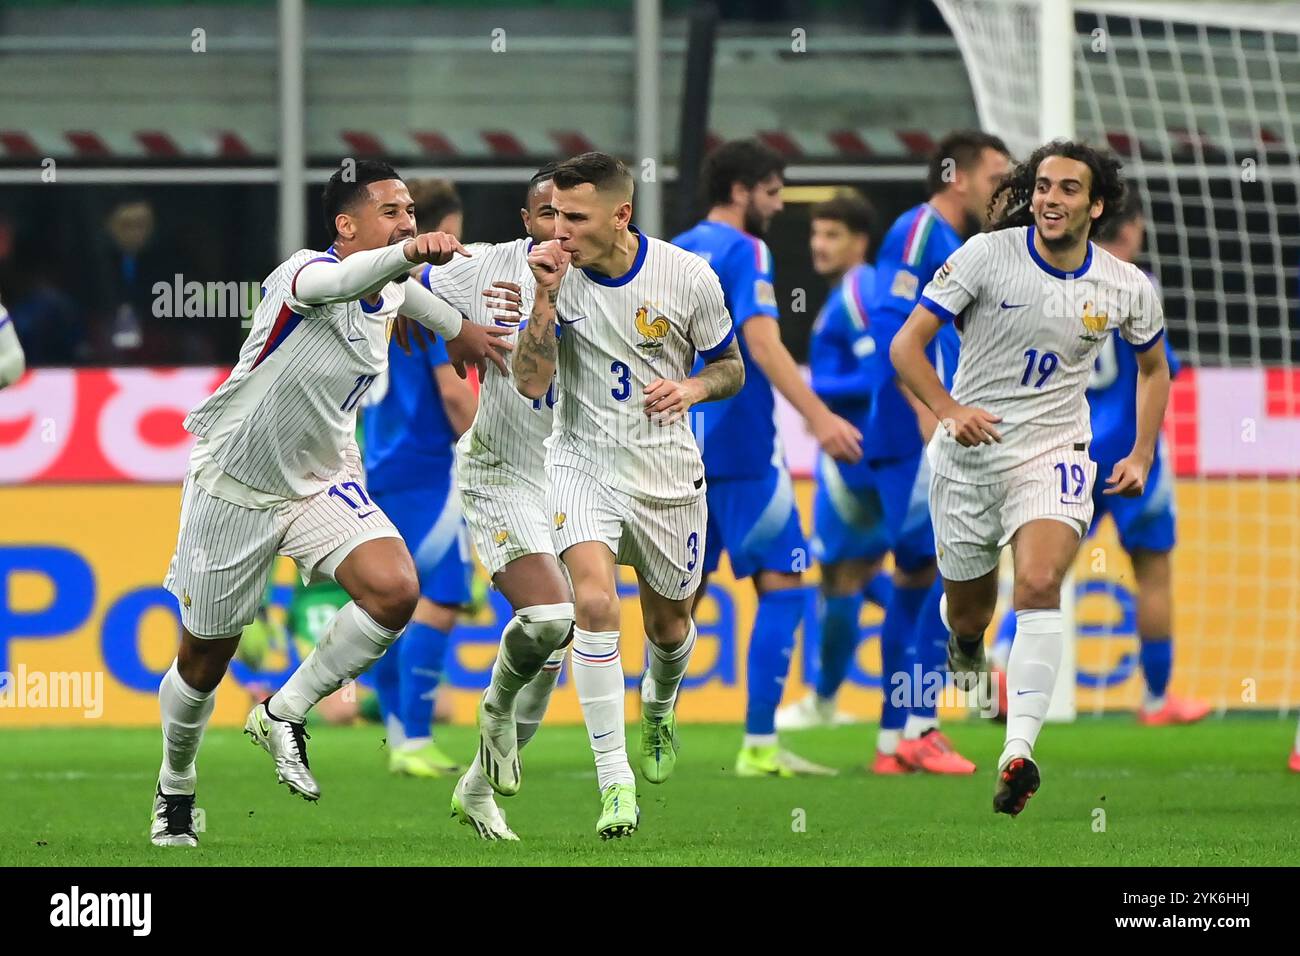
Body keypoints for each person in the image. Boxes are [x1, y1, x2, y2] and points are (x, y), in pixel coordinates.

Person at [150, 160, 512, 847]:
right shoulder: (304, 276)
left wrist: (462, 330)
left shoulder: (394, 291)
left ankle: (283, 711)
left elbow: (412, 301)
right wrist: (409, 254)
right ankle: (175, 787)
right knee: (203, 661)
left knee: (395, 589)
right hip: (236, 486)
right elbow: (348, 280)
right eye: (391, 211)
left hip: (319, 480)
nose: (408, 221)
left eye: (411, 211)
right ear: (346, 225)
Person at [890, 140, 1170, 815]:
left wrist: (1141, 453)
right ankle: (966, 654)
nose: (1051, 198)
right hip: (967, 459)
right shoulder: (987, 257)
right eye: (1044, 185)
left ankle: (1018, 752)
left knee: (1042, 583)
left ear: (1096, 205)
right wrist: (949, 410)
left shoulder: (1125, 285)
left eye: (1069, 189)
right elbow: (907, 346)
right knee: (969, 617)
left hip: (1055, 451)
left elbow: (1155, 368)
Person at [513, 152, 745, 838]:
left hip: (668, 476)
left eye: (575, 217)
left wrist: (693, 388)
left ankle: (658, 702)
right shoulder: (550, 274)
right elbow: (530, 382)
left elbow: (729, 367)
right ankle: (615, 785)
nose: (558, 229)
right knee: (591, 601)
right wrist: (546, 300)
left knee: (670, 626)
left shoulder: (687, 277)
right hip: (581, 462)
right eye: (551, 213)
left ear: (621, 215)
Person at [673, 139, 860, 778]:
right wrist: (820, 418)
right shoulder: (746, 250)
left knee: (676, 602)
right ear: (742, 189)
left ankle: (639, 740)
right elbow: (761, 343)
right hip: (742, 446)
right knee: (784, 584)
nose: (779, 206)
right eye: (774, 191)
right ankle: (758, 745)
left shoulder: (674, 250)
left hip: (678, 447)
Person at [778, 191, 894, 732]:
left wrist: (816, 391)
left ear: (859, 241)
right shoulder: (846, 293)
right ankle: (952, 639)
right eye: (816, 234)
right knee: (857, 570)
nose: (819, 245)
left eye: (833, 235)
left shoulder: (862, 292)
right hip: (858, 449)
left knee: (843, 576)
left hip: (859, 453)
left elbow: (883, 373)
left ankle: (823, 701)